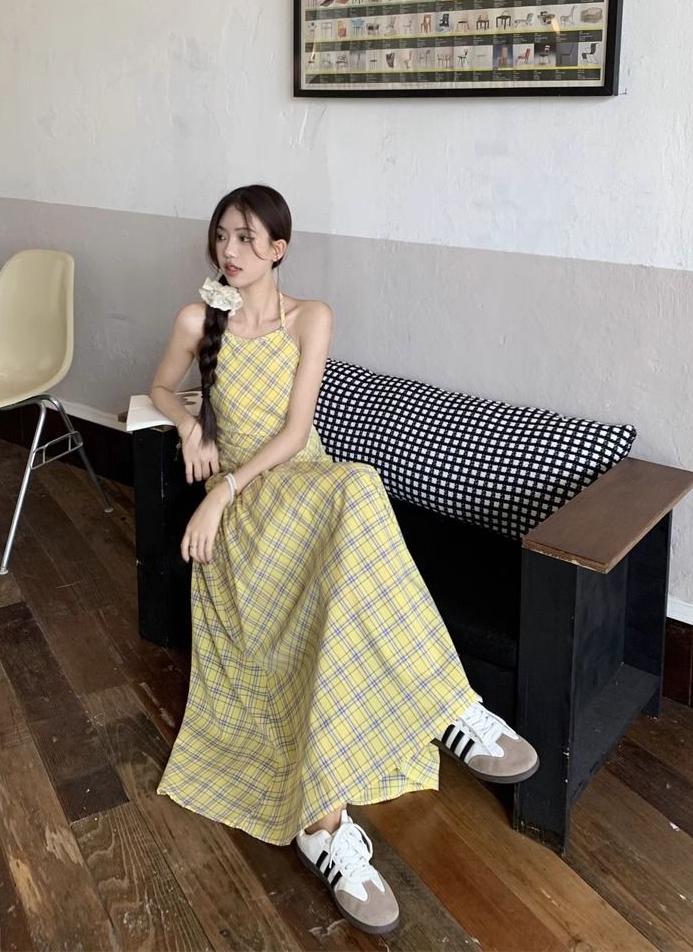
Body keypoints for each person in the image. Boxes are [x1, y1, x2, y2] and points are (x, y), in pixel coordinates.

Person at [151, 184, 538, 935]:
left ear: (279, 249)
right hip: (252, 517)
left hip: (298, 486)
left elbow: (296, 434)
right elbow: (162, 387)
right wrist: (192, 427)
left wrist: (221, 488)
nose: (229, 251)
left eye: (246, 238)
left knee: (355, 491)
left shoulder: (311, 318)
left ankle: (435, 728)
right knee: (358, 495)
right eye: (222, 236)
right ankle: (397, 761)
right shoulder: (198, 319)